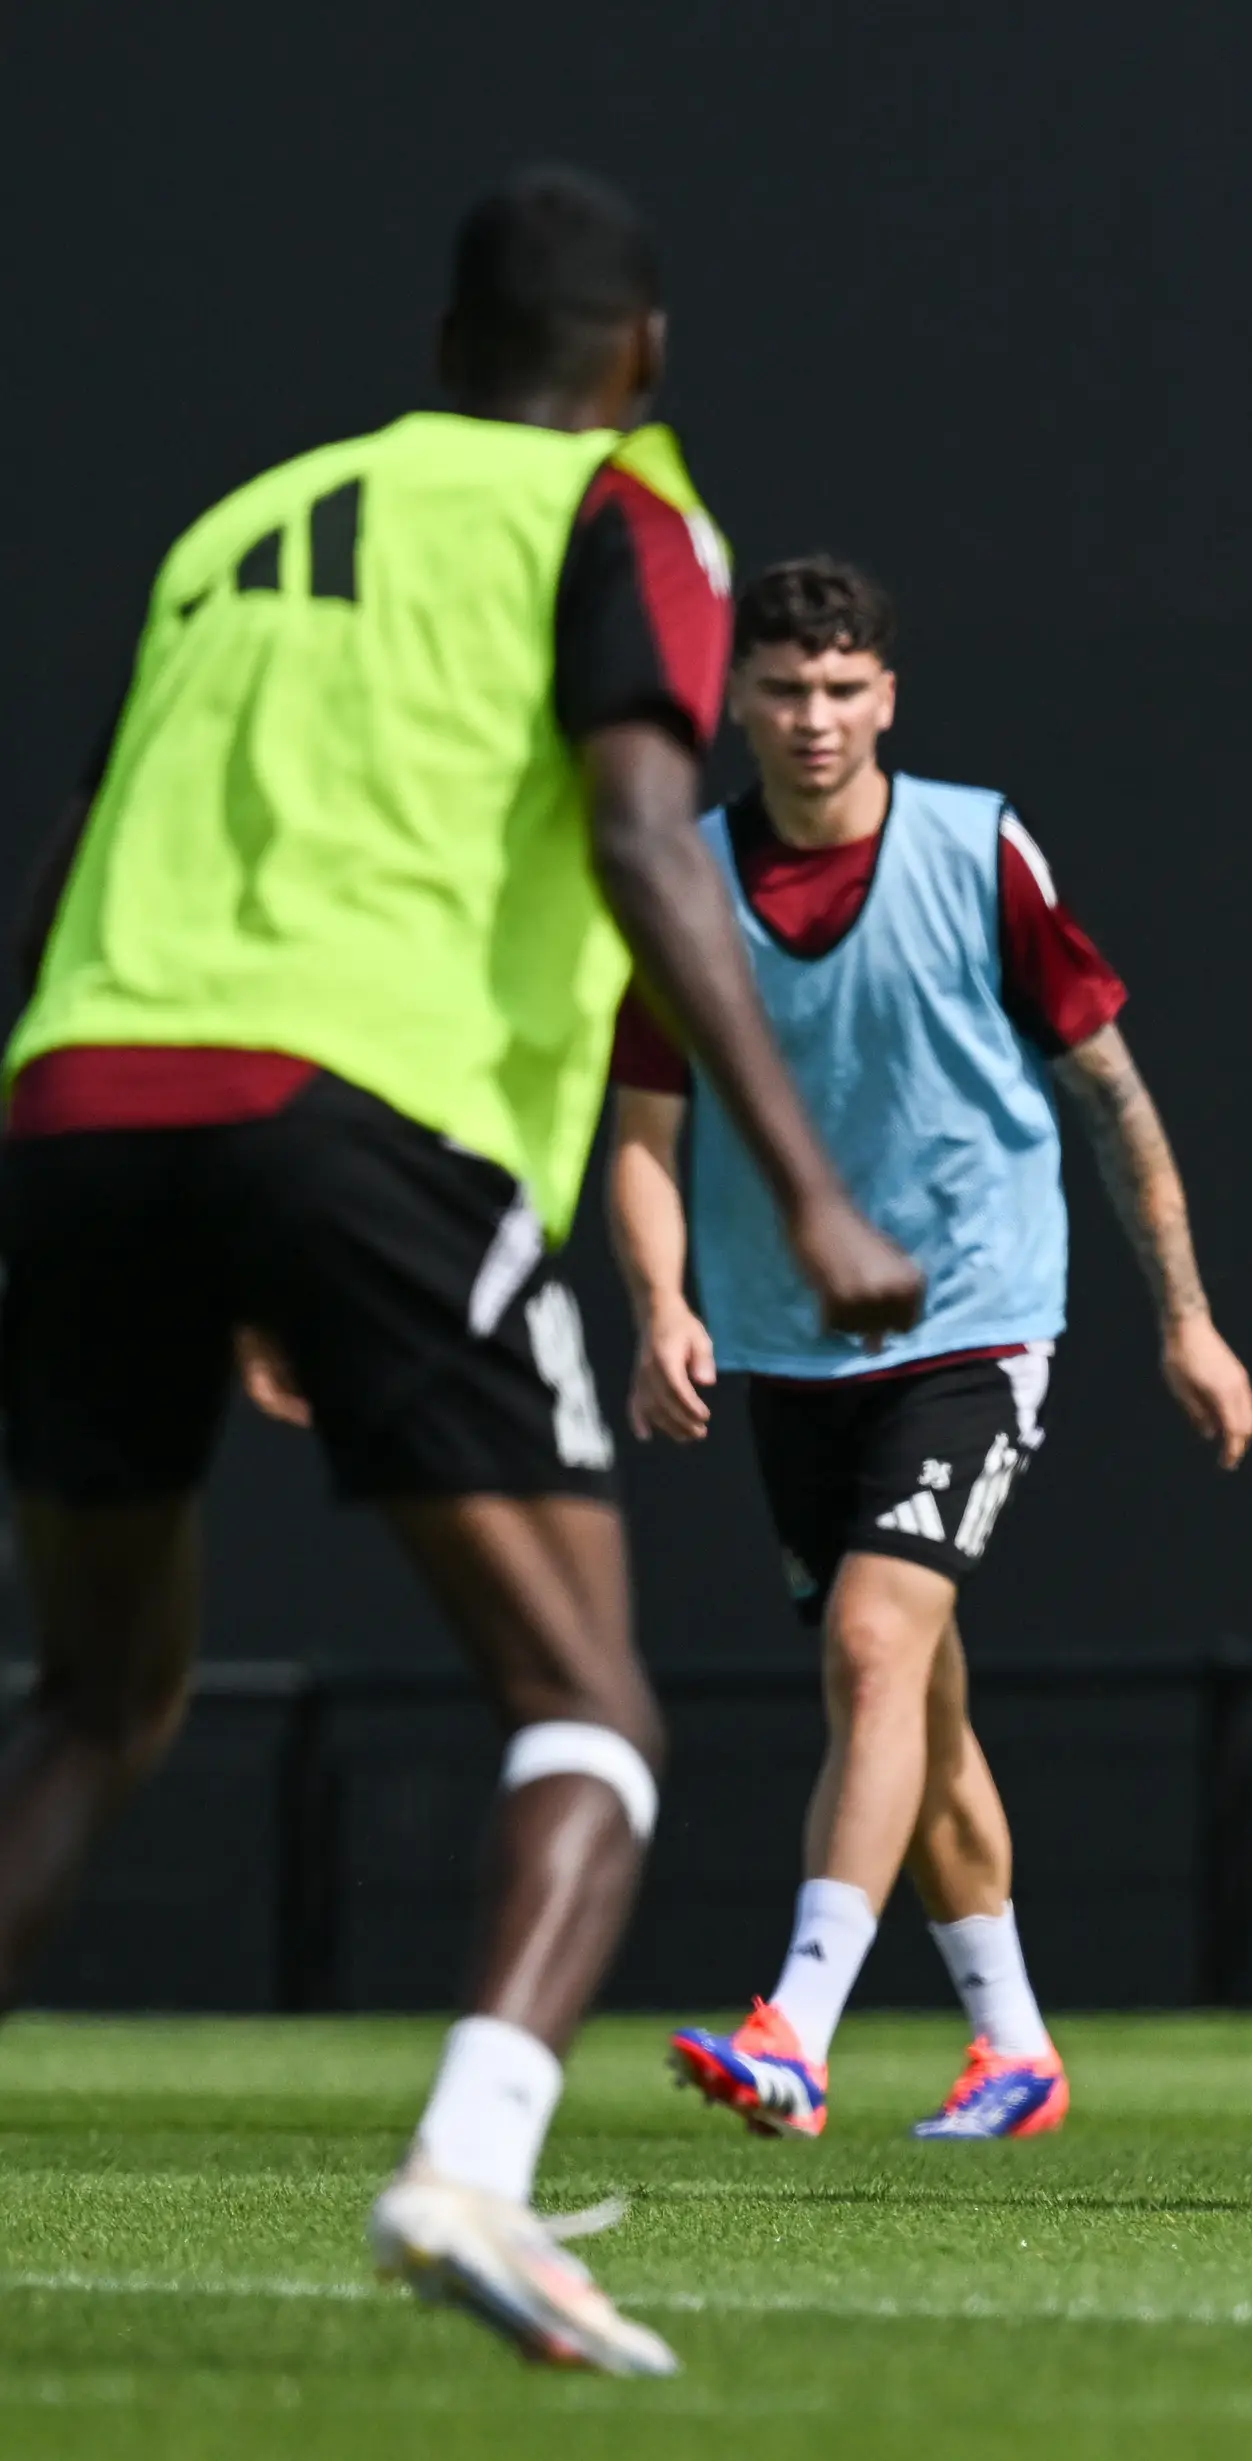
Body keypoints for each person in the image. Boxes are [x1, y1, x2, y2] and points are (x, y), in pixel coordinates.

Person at [0, 168, 922, 2374]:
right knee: (588, 1707)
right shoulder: (624, 511)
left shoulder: (241, 523)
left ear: (438, 353)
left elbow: (144, 841)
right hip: (368, 1122)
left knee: (96, 1700)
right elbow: (632, 832)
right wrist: (799, 1187)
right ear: (642, 363)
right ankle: (469, 2171)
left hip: (84, 1107)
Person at [621, 557, 1252, 2145]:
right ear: (737, 702)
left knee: (870, 1650)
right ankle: (1014, 2047)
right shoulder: (684, 879)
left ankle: (799, 2026)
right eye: (783, 688)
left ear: (888, 696)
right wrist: (661, 1306)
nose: (815, 719)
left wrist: (1184, 1316)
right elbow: (638, 1128)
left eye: (844, 689)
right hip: (783, 1348)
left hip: (974, 1320)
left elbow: (1108, 1090)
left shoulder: (977, 849)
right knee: (920, 1700)